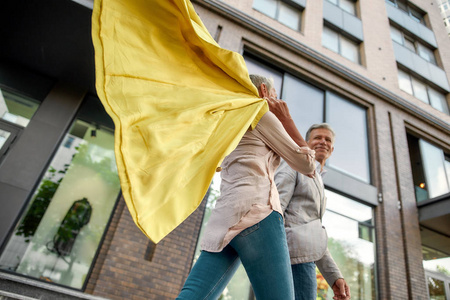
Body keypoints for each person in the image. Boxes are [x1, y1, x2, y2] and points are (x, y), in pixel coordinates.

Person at [177, 75, 316, 300]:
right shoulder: (260, 114)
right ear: (264, 91)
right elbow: (307, 165)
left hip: (224, 219)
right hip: (258, 214)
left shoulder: (228, 120)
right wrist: (287, 119)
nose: (276, 100)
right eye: (275, 95)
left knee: (193, 297)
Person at [275, 123, 351, 300]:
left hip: (301, 257)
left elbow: (311, 234)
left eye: (328, 140)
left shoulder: (318, 180)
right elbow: (274, 209)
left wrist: (334, 276)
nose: (323, 142)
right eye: (317, 138)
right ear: (307, 142)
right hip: (290, 256)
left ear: (332, 149)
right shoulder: (294, 165)